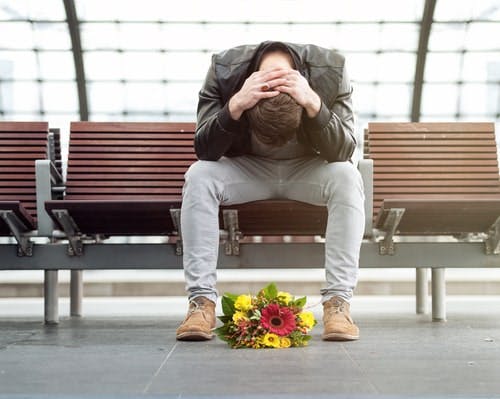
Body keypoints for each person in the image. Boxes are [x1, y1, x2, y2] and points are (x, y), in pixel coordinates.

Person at [176, 41, 365, 342]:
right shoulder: (224, 68)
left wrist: (314, 104)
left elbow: (344, 151)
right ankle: (201, 302)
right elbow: (205, 150)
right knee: (199, 175)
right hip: (247, 168)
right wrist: (235, 105)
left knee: (346, 176)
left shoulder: (332, 68)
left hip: (306, 168)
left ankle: (338, 303)